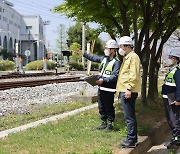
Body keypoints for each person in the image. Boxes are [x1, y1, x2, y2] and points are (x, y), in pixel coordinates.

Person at [76, 39, 120, 131]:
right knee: (101, 106)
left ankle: (110, 124)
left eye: (107, 48)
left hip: (109, 89)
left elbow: (115, 76)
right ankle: (103, 122)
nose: (105, 49)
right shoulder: (104, 59)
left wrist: (104, 80)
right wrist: (83, 54)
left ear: (113, 50)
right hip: (101, 87)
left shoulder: (116, 62)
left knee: (109, 107)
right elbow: (93, 58)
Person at [116, 36, 141, 148]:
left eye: (121, 46)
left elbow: (133, 74)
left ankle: (131, 140)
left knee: (129, 117)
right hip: (125, 90)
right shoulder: (128, 57)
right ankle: (132, 138)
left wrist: (128, 89)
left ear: (127, 46)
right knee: (128, 116)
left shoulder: (133, 57)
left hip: (128, 91)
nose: (120, 48)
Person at [162, 48, 180, 149]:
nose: (169, 59)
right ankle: (175, 137)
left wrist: (178, 99)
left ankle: (177, 140)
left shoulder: (177, 72)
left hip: (172, 99)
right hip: (168, 98)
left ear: (176, 59)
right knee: (170, 119)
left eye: (171, 58)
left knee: (174, 119)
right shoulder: (171, 70)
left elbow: (179, 87)